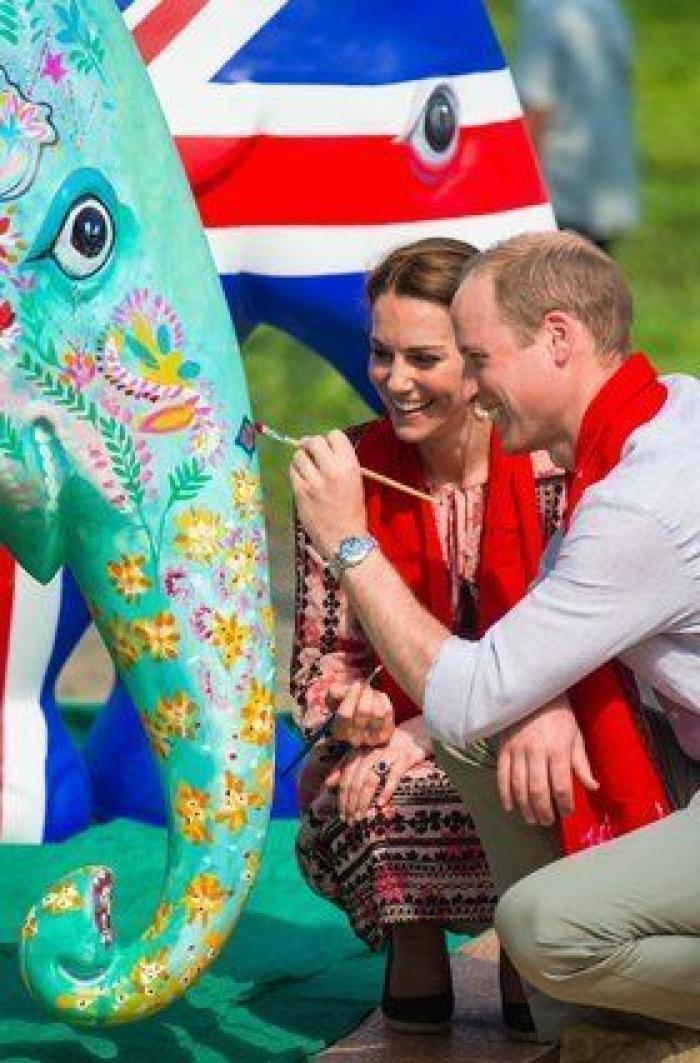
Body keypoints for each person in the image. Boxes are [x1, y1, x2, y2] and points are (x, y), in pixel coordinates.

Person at [289, 230, 700, 1041]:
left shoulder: (627, 500)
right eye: (382, 354)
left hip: (639, 749)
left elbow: (476, 687)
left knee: (542, 924)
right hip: (667, 745)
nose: (473, 389)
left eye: (473, 359)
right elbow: (344, 670)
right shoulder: (659, 410)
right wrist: (360, 716)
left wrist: (351, 544)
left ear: (557, 338)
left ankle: (574, 984)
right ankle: (577, 1007)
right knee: (482, 732)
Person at [290, 236, 565, 1034]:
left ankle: (530, 950)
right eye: (381, 354)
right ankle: (414, 957)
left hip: (533, 733)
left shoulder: (552, 467)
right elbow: (317, 664)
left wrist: (423, 725)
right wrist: (353, 713)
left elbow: (572, 660)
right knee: (367, 782)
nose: (396, 382)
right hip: (398, 757)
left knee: (532, 768)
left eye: (424, 358)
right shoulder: (339, 472)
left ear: (478, 360)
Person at [514, 0, 639, 252]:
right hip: (604, 179)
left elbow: (537, 103)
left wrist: (521, 188)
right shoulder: (606, 7)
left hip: (559, 185)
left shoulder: (545, 11)